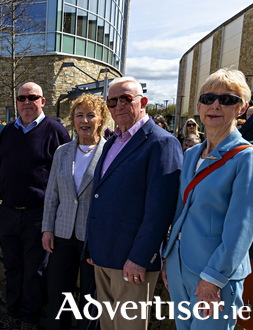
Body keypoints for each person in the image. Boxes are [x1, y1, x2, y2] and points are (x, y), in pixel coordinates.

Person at [84, 77, 182, 330]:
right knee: (107, 325)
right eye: (112, 101)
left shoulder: (162, 143)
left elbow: (161, 209)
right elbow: (101, 196)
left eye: (126, 99)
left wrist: (140, 257)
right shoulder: (113, 141)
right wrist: (93, 248)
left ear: (143, 102)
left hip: (131, 263)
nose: (118, 106)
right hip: (104, 256)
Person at [162, 68, 253, 330]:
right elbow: (180, 212)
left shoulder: (246, 158)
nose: (215, 105)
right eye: (208, 98)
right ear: (199, 106)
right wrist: (169, 257)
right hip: (181, 267)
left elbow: (241, 229)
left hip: (215, 275)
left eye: (227, 100)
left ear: (242, 108)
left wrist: (213, 279)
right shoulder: (190, 155)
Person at [0, 82, 71, 330]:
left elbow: (66, 175)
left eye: (31, 97)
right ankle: (12, 314)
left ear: (42, 101)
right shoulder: (7, 131)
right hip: (9, 213)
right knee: (13, 268)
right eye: (21, 98)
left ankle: (30, 320)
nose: (25, 102)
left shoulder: (56, 131)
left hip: (39, 215)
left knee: (35, 271)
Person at [42, 94, 108, 330]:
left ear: (101, 119)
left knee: (90, 298)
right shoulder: (62, 152)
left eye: (91, 115)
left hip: (92, 237)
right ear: (73, 119)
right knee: (58, 293)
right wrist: (47, 228)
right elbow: (52, 194)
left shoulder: (110, 152)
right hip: (61, 234)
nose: (85, 120)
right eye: (79, 115)